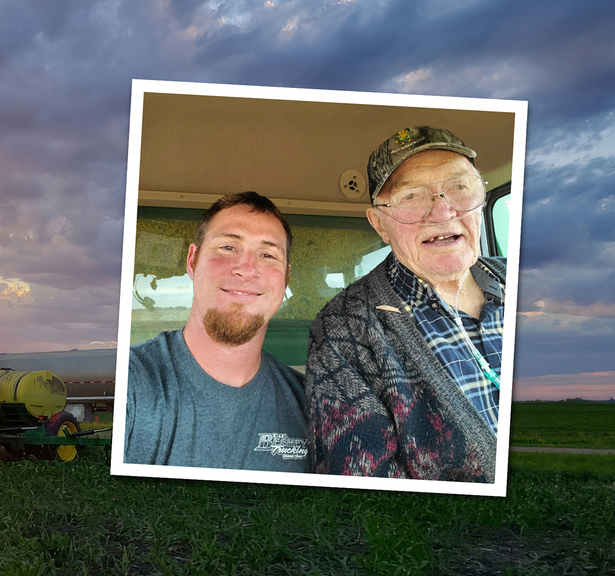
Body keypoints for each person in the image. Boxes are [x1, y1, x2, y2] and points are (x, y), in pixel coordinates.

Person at [306, 126, 505, 482]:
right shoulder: (343, 327)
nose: (443, 212)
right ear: (380, 224)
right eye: (411, 196)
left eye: (460, 187)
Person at [124, 191, 310, 472]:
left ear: (285, 279)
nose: (247, 270)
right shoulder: (131, 383)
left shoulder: (313, 406)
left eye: (268, 254)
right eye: (227, 247)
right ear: (192, 260)